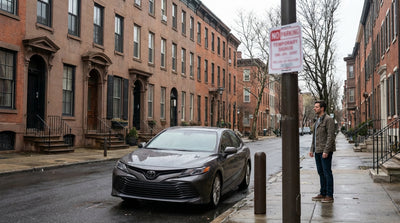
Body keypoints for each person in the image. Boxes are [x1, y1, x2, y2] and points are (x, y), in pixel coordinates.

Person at [309, 100, 336, 203]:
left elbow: (330, 136)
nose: (314, 108)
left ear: (322, 108)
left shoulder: (328, 120)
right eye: (315, 107)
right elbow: (314, 137)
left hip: (325, 151)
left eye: (316, 107)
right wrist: (312, 149)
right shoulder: (317, 121)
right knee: (320, 172)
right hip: (317, 150)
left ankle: (329, 195)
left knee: (327, 172)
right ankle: (322, 193)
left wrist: (326, 150)